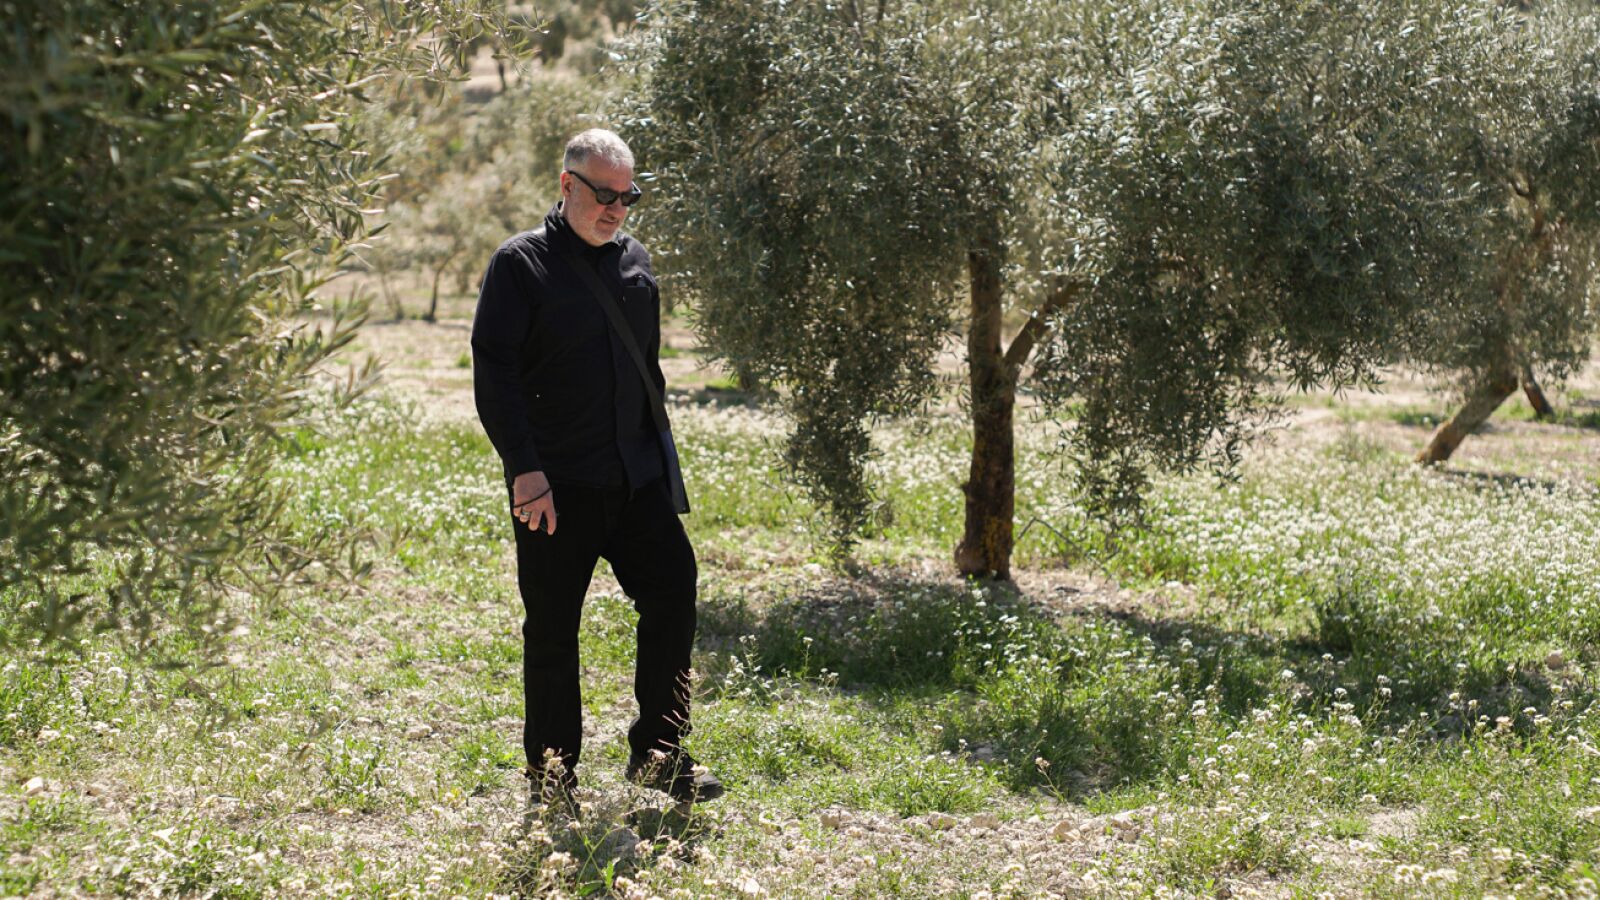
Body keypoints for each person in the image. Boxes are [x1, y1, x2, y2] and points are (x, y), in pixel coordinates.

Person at [470, 128, 722, 809]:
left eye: (627, 196)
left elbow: (649, 371)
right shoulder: (519, 264)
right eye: (603, 194)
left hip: (635, 480)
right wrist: (524, 471)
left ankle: (660, 754)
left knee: (673, 591)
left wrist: (657, 462)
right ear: (566, 184)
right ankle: (553, 776)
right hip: (555, 487)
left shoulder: (636, 262)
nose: (615, 208)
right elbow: (495, 376)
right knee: (553, 629)